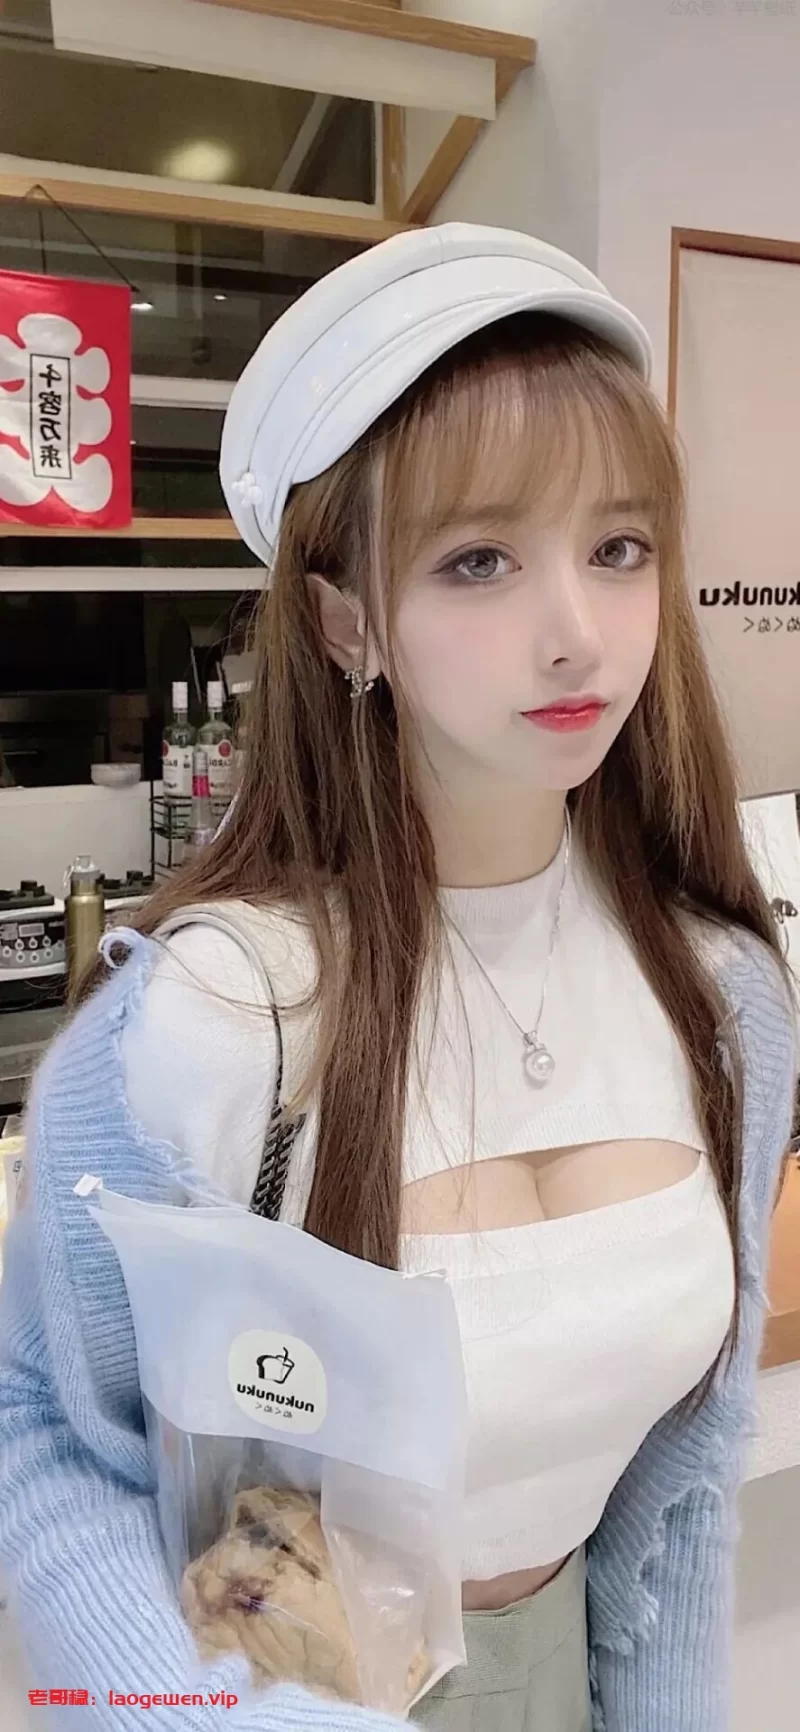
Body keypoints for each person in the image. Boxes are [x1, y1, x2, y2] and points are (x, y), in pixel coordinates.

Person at [0, 223, 796, 1732]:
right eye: (480, 559)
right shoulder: (211, 1023)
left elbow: (686, 1490)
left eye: (619, 548)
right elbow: (42, 1428)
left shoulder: (721, 997)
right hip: (275, 1694)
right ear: (342, 619)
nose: (578, 634)